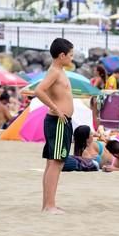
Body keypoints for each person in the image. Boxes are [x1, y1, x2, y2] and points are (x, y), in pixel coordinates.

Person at [34, 38, 75, 214]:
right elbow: (39, 91)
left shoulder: (59, 70)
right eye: (71, 55)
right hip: (58, 121)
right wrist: (56, 109)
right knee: (56, 163)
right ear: (62, 55)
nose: (72, 58)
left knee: (53, 162)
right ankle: (49, 205)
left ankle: (48, 204)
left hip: (61, 122)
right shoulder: (55, 72)